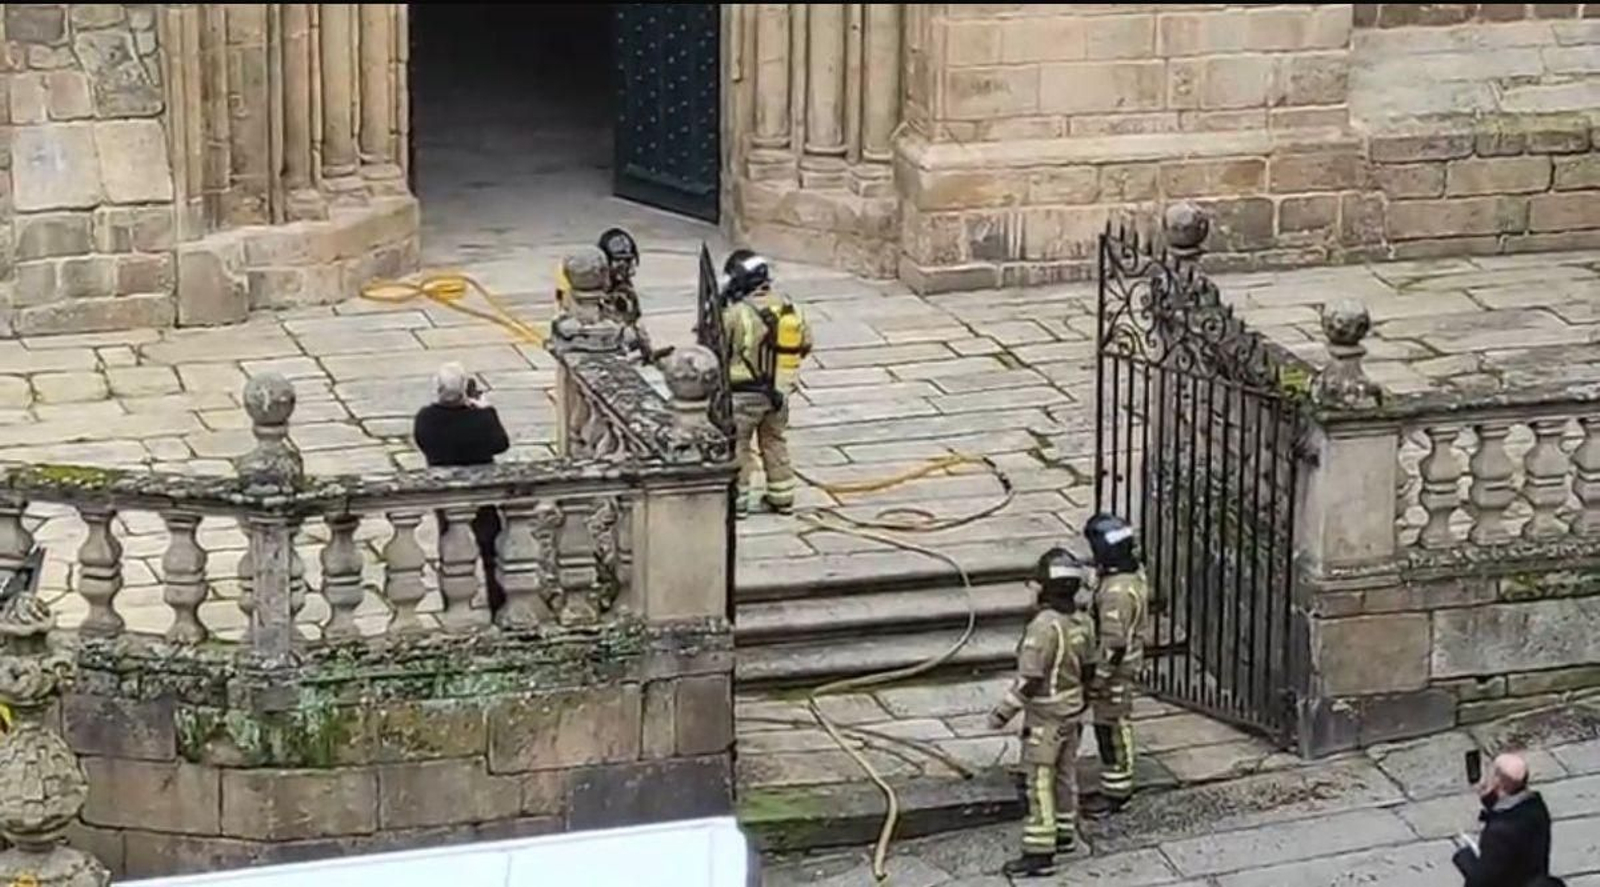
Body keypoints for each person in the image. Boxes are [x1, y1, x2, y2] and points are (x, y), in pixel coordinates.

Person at [987, 547, 1097, 878]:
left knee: (1039, 781)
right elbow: (1090, 670)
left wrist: (1002, 713)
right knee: (1065, 775)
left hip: (1046, 718)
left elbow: (1031, 679)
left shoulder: (1042, 628)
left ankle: (1039, 851)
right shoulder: (1083, 622)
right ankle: (1064, 833)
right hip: (1072, 712)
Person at [412, 363, 511, 616]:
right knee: (490, 548)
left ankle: (451, 604)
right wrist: (487, 410)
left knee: (450, 547)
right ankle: (497, 602)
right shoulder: (481, 419)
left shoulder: (426, 419)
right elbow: (501, 444)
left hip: (446, 493)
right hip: (481, 492)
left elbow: (422, 441)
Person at [721, 249, 812, 518]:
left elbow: (719, 348)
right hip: (779, 391)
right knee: (774, 441)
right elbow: (805, 343)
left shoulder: (737, 314)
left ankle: (738, 502)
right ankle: (782, 497)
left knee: (739, 445)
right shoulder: (788, 307)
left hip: (743, 394)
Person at [1081, 512, 1150, 818]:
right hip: (1120, 665)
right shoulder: (1129, 575)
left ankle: (1117, 791)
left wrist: (1099, 678)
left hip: (1116, 672)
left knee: (1112, 728)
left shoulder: (1116, 593)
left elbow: (1114, 643)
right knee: (1107, 726)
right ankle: (1114, 783)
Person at [1453, 752, 1562, 887]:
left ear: (1498, 782)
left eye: (1491, 773)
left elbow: (1481, 881)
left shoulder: (1498, 833)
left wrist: (1464, 857)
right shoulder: (1536, 806)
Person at [596, 227, 655, 362]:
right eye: (618, 261)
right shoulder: (596, 287)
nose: (623, 266)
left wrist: (648, 352)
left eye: (627, 261)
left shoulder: (626, 290)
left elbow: (636, 321)